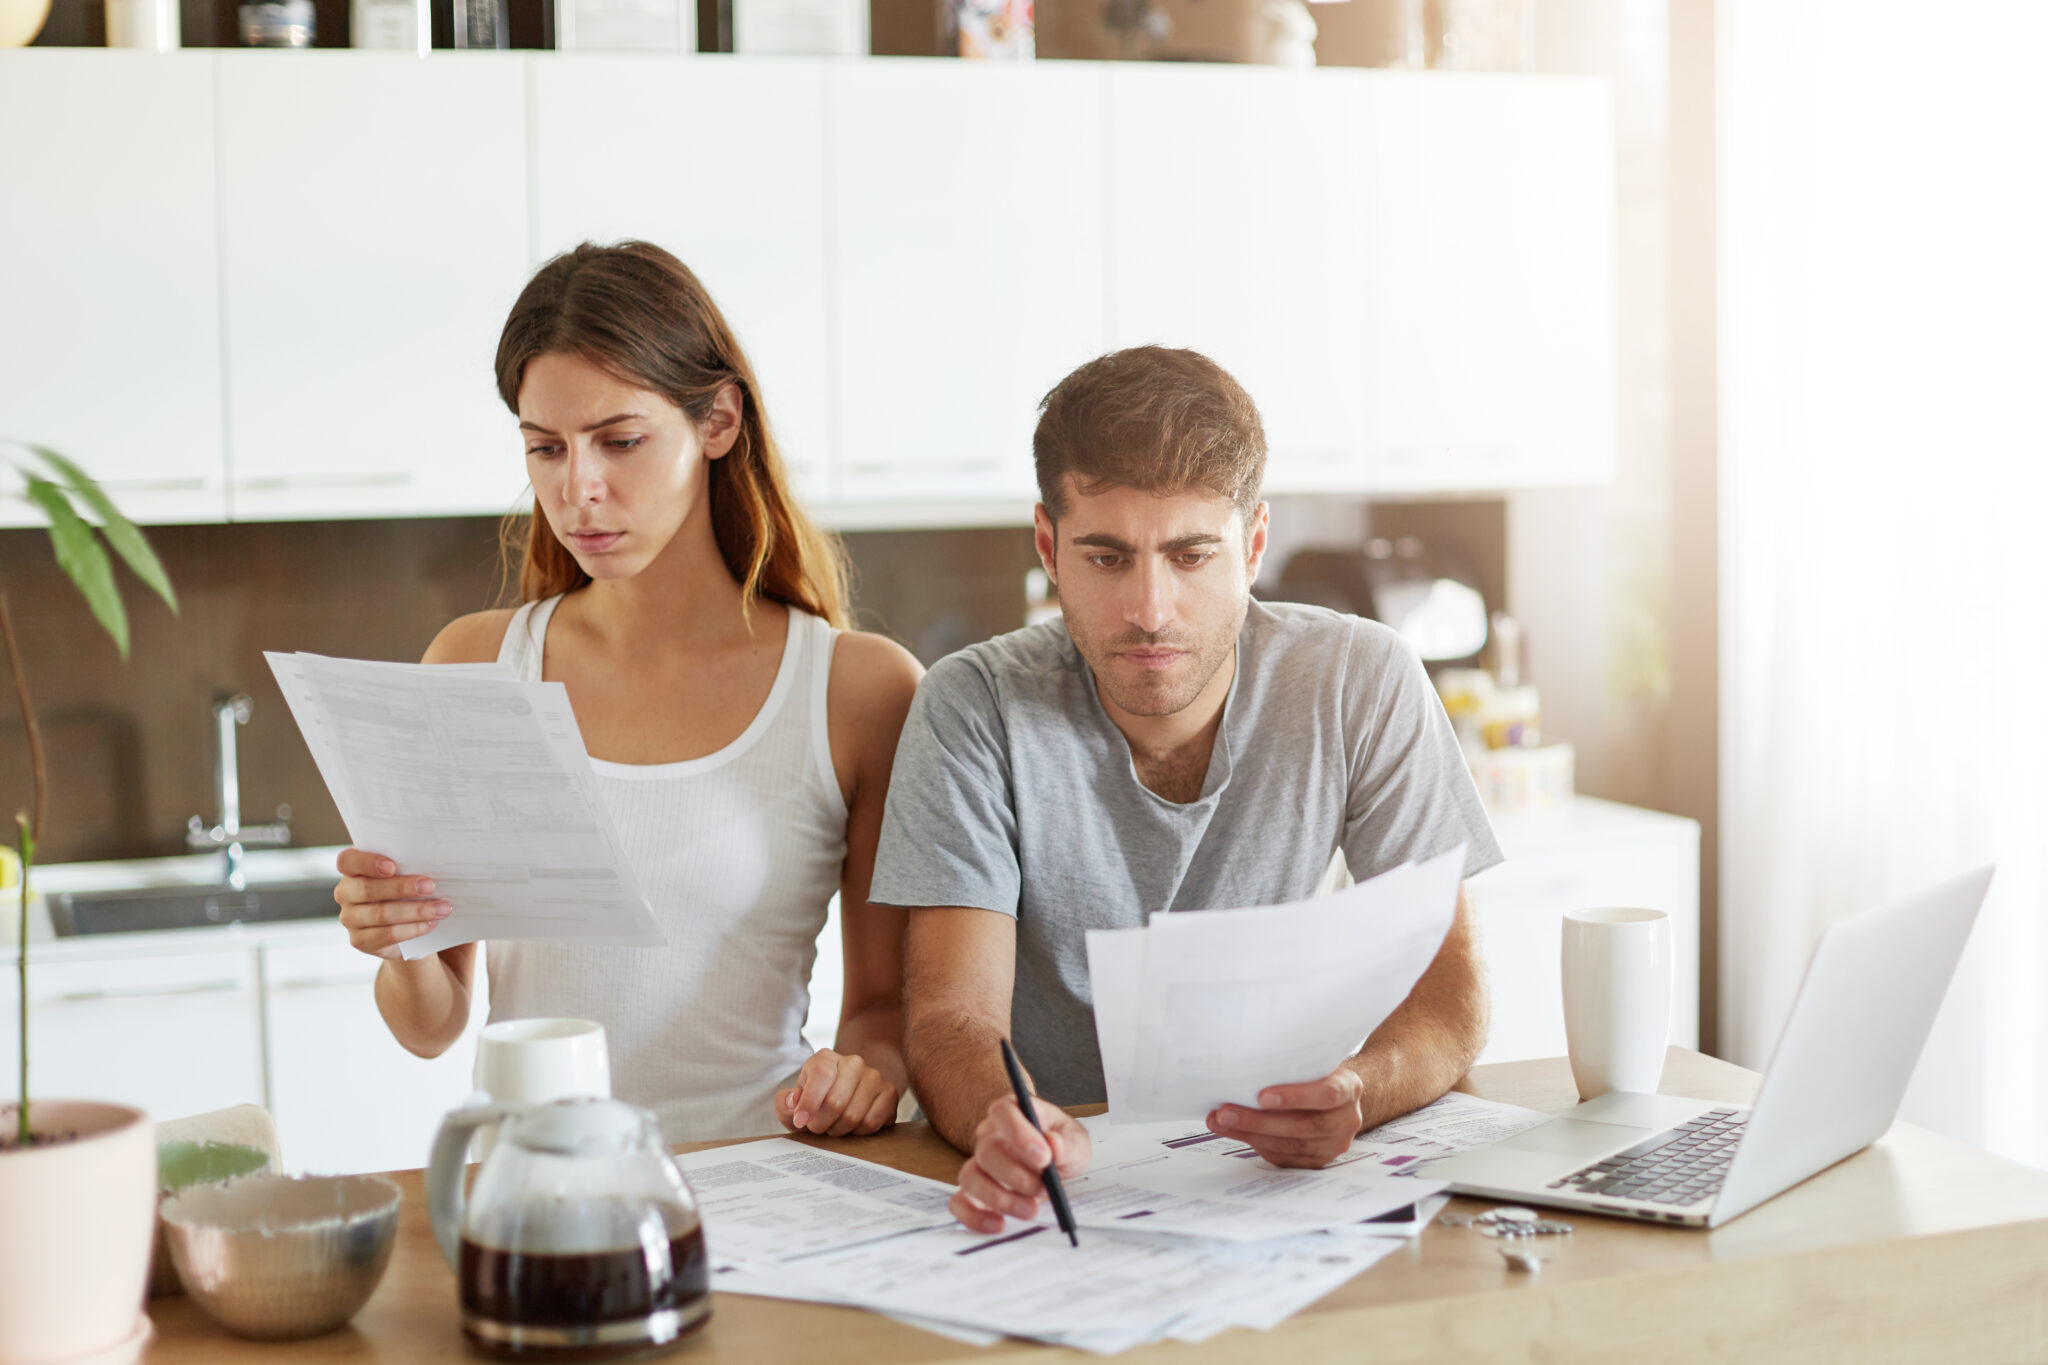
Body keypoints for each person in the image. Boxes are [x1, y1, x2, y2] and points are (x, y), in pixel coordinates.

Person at [869, 346, 1503, 1234]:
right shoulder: (973, 706)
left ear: (1252, 545)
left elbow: (1451, 993)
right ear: (1049, 546)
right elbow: (950, 1014)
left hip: (1286, 1187)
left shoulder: (1363, 678)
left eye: (1192, 554)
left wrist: (1360, 1090)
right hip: (1069, 1182)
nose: (1151, 609)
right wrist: (1002, 1120)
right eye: (1108, 557)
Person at [332, 241, 922, 1143]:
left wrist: (861, 1078)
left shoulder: (859, 691)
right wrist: (397, 943)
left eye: (621, 440)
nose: (580, 491)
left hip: (760, 1193)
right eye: (546, 448)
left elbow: (883, 1012)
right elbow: (434, 1023)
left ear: (718, 420)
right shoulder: (471, 668)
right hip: (528, 1194)